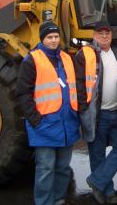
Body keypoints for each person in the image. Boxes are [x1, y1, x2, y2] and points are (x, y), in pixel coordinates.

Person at [16, 21, 80, 205]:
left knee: (63, 168)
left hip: (67, 124)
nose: (53, 40)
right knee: (45, 169)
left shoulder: (66, 58)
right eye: (49, 37)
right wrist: (36, 120)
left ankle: (58, 199)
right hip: (45, 125)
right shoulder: (32, 60)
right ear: (42, 39)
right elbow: (23, 93)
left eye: (56, 37)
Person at [74, 20, 117, 204]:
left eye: (107, 32)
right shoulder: (85, 54)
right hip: (97, 115)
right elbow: (79, 84)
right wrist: (83, 109)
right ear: (94, 36)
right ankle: (107, 192)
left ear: (112, 35)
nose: (104, 35)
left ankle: (96, 181)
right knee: (97, 153)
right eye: (100, 33)